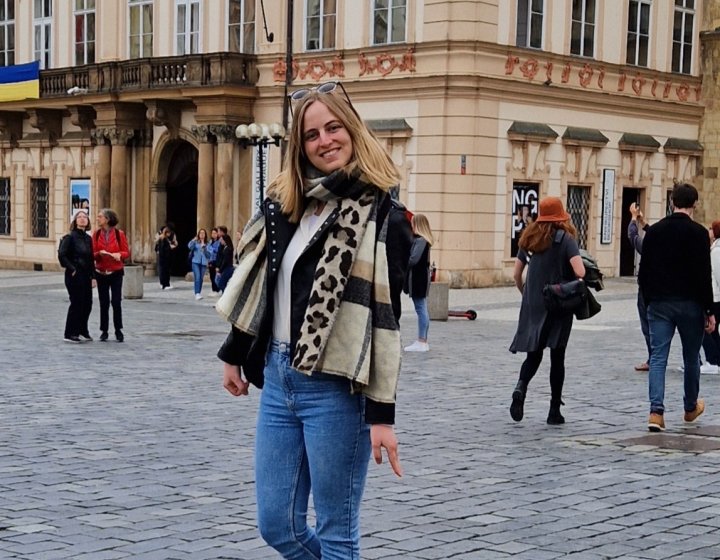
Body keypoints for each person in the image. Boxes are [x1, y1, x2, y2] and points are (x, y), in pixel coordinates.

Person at [216, 80, 403, 559]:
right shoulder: (286, 205)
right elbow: (262, 283)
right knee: (277, 524)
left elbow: (385, 321)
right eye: (312, 135)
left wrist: (382, 415)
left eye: (333, 128)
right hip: (279, 380)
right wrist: (235, 354)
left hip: (338, 388)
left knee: (338, 530)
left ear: (352, 129)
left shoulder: (384, 213)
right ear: (300, 146)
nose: (325, 141)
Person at [638, 183, 715, 432]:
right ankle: (690, 407)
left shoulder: (655, 231)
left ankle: (655, 412)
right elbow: (704, 275)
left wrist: (649, 300)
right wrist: (709, 310)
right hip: (690, 304)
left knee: (658, 357)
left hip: (659, 303)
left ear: (672, 202)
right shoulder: (699, 234)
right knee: (691, 357)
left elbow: (644, 272)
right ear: (694, 204)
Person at [509, 197, 585, 425]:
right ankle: (554, 411)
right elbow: (580, 271)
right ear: (561, 217)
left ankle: (520, 387)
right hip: (558, 304)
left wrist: (526, 294)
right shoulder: (566, 240)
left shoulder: (529, 240)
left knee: (534, 354)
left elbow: (516, 274)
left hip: (534, 303)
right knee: (557, 357)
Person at [93, 208, 130, 343]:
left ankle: (118, 329)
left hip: (116, 272)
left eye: (100, 217)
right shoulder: (96, 234)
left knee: (116, 302)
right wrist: (99, 254)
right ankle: (104, 330)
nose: (98, 219)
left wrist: (119, 255)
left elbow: (126, 252)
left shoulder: (119, 234)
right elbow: (93, 253)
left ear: (107, 219)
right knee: (104, 303)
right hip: (101, 272)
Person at [58, 209, 95, 343]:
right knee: (76, 303)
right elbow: (62, 255)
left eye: (85, 217)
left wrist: (94, 276)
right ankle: (70, 333)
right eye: (79, 217)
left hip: (86, 275)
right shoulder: (69, 237)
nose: (82, 219)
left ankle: (82, 329)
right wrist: (72, 268)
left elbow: (91, 259)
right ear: (75, 221)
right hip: (74, 275)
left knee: (87, 304)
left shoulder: (88, 238)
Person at [404, 213, 434, 352]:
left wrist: (403, 261)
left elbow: (413, 259)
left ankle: (422, 340)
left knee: (421, 308)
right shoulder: (423, 240)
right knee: (422, 307)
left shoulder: (421, 241)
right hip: (420, 277)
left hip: (418, 278)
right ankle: (423, 340)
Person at [628, 202, 651, 371]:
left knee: (648, 326)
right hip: (665, 290)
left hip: (647, 290)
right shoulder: (666, 243)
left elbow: (633, 236)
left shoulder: (651, 246)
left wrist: (633, 218)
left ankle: (654, 359)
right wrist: (643, 222)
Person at [700, 223, 720, 375]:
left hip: (715, 296)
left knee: (708, 329)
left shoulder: (716, 251)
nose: (709, 231)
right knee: (713, 331)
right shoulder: (713, 248)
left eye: (712, 228)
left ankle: (713, 360)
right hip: (713, 295)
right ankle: (715, 360)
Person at [187, 228, 211, 300]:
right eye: (200, 233)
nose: (202, 234)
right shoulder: (196, 242)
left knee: (200, 278)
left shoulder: (208, 243)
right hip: (195, 262)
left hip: (203, 263)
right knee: (197, 277)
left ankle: (199, 293)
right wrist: (193, 240)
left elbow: (208, 255)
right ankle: (197, 293)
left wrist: (205, 249)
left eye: (203, 233)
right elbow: (189, 246)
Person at [155, 226, 176, 290]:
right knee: (165, 271)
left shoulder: (163, 239)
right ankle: (165, 284)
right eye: (169, 233)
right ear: (166, 233)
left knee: (164, 271)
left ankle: (165, 284)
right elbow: (164, 249)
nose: (170, 235)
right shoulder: (163, 239)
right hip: (164, 258)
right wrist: (170, 247)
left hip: (163, 258)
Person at [207, 227, 221, 296]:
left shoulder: (219, 242)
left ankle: (217, 289)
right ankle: (213, 289)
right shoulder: (210, 241)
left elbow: (217, 250)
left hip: (216, 260)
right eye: (212, 233)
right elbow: (208, 250)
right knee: (211, 276)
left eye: (215, 233)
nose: (213, 234)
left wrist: (212, 249)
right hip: (211, 260)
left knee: (216, 276)